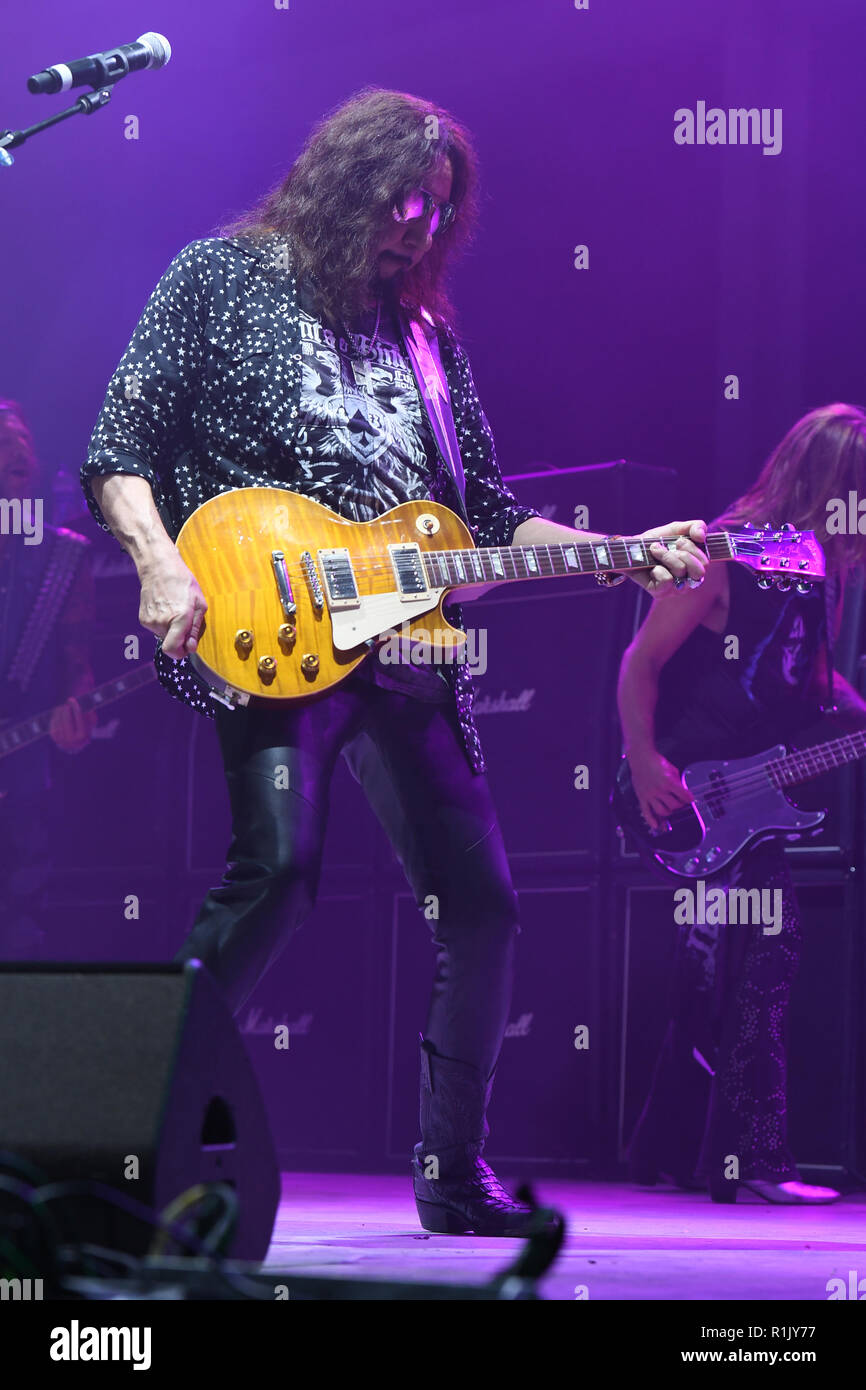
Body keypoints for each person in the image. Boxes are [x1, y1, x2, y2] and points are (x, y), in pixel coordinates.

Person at [81, 87, 708, 1236]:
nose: (417, 227)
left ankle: (449, 1172)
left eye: (438, 212)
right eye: (400, 201)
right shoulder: (217, 278)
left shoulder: (426, 335)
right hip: (265, 617)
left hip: (405, 644)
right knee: (278, 870)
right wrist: (160, 565)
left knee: (482, 907)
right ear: (340, 177)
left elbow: (493, 521)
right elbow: (119, 445)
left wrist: (622, 555)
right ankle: (127, 1127)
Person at [617, 402, 866, 1204]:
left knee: (712, 976)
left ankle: (662, 1155)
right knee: (770, 954)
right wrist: (646, 761)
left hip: (752, 802)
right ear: (831, 485)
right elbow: (640, 662)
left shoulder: (811, 572)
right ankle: (756, 1164)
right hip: (691, 794)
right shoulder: (726, 550)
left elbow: (808, 681)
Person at [0, 400, 95, 957]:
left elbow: (77, 666)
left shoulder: (60, 555)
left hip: (25, 782)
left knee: (21, 933)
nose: (19, 451)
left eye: (22, 444)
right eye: (3, 444)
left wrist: (76, 712)